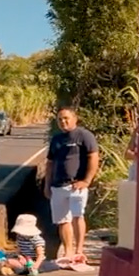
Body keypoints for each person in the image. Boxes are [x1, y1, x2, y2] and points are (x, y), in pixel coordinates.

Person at [44, 106, 100, 261]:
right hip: (58, 186)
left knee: (77, 216)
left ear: (75, 119)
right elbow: (49, 163)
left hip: (77, 185)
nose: (63, 122)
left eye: (66, 118)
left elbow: (93, 157)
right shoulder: (56, 139)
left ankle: (79, 250)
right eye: (60, 119)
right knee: (62, 221)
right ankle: (68, 251)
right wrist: (47, 185)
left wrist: (87, 181)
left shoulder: (84, 135)